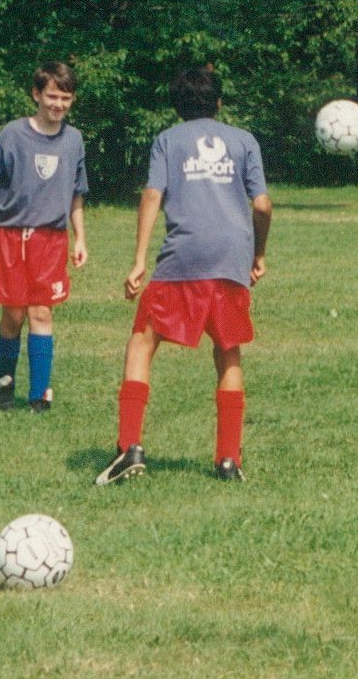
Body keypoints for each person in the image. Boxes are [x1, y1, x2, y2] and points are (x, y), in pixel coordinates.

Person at [96, 67, 271, 484]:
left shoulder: (167, 140)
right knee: (228, 351)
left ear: (177, 107)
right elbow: (263, 205)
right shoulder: (244, 140)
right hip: (231, 257)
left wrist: (139, 259)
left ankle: (129, 447)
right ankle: (228, 460)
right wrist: (258, 253)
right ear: (219, 103)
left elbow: (152, 195)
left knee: (143, 340)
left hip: (183, 256)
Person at [0, 61, 88, 413]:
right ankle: (4, 381)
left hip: (51, 239)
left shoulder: (74, 140)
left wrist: (80, 237)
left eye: (65, 98)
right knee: (14, 315)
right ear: (36, 94)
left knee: (42, 313)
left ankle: (39, 394)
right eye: (52, 96)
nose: (58, 104)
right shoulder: (13, 135)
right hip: (10, 236)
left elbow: (77, 194)